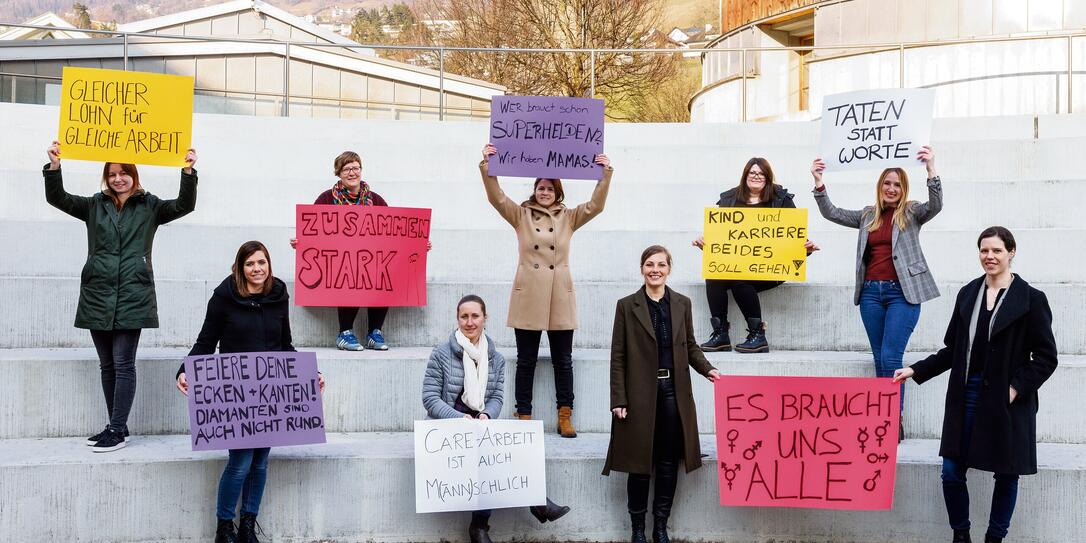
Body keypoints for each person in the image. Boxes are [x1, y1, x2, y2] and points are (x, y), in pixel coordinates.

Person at [893, 227, 1057, 543]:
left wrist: (1015, 388)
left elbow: (1046, 358)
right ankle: (961, 534)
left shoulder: (1032, 299)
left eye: (996, 250)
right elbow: (953, 350)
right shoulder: (969, 293)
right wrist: (915, 369)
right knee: (952, 470)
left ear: (1011, 252)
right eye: (984, 250)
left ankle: (995, 537)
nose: (989, 257)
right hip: (966, 393)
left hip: (1008, 398)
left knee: (1006, 473)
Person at [42, 140, 198, 453]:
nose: (118, 179)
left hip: (132, 293)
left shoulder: (151, 206)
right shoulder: (93, 205)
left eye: (124, 173)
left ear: (134, 175)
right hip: (98, 293)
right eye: (112, 174)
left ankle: (116, 430)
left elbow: (184, 205)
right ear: (106, 177)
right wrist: (55, 166)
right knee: (107, 366)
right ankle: (118, 424)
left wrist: (188, 171)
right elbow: (57, 198)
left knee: (123, 364)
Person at [176, 241, 325, 543]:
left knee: (260, 462)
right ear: (240, 268)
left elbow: (285, 346)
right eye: (250, 264)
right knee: (241, 462)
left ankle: (247, 525)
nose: (256, 269)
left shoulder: (279, 294)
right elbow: (206, 342)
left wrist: (310, 375)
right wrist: (183, 369)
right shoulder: (223, 297)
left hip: (270, 396)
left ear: (269, 264)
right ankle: (223, 528)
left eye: (262, 263)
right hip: (238, 396)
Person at [479, 143, 612, 438]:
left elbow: (596, 206)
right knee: (526, 361)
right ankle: (523, 413)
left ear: (558, 193)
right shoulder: (521, 215)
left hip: (560, 296)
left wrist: (604, 173)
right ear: (534, 190)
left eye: (550, 189)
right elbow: (497, 198)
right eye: (540, 187)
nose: (544, 192)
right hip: (529, 295)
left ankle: (565, 415)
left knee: (563, 360)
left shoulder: (569, 217)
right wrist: (488, 165)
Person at [811, 146, 941, 439]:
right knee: (880, 357)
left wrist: (931, 170)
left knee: (892, 357)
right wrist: (819, 182)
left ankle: (892, 420)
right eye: (887, 183)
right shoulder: (867, 215)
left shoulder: (911, 212)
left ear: (903, 189)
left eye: (897, 184)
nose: (891, 188)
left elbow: (935, 206)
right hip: (871, 294)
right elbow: (832, 212)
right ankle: (885, 415)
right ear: (880, 186)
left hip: (902, 294)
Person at [422, 294, 571, 543]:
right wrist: (461, 418)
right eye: (464, 316)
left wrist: (486, 414)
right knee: (486, 452)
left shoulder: (496, 359)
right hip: (447, 426)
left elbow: (497, 398)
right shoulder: (441, 354)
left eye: (475, 316)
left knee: (504, 447)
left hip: (479, 423)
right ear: (457, 319)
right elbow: (430, 399)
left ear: (485, 318)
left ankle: (485, 525)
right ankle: (529, 506)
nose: (470, 322)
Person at [604, 245, 721, 543]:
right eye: (649, 264)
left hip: (674, 392)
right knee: (640, 462)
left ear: (669, 269)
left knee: (669, 462)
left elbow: (691, 346)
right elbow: (618, 355)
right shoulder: (626, 305)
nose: (655, 269)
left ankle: (660, 527)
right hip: (640, 393)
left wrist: (708, 369)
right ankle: (638, 530)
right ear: (642, 268)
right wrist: (619, 399)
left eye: (661, 265)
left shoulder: (682, 303)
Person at [290, 151, 429, 351]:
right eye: (346, 169)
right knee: (351, 274)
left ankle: (375, 331)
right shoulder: (327, 198)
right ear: (338, 173)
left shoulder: (376, 200)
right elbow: (314, 230)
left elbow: (394, 235)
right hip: (341, 264)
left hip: (370, 262)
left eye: (355, 167)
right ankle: (344, 332)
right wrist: (301, 243)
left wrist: (417, 245)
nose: (352, 172)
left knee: (384, 273)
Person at [692, 157, 819, 353]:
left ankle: (758, 336)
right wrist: (706, 245)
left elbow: (793, 238)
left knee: (740, 281)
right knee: (714, 275)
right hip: (736, 264)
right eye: (752, 173)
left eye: (761, 173)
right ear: (745, 176)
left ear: (768, 178)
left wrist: (806, 249)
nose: (756, 176)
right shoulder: (729, 200)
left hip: (771, 269)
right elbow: (721, 237)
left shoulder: (781, 200)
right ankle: (720, 335)